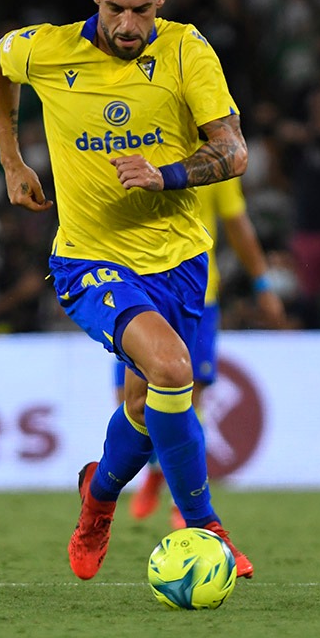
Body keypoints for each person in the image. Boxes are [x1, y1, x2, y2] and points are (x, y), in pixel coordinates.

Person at [0, 0, 254, 580]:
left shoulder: (188, 49)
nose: (129, 25)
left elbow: (234, 150)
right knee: (172, 367)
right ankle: (205, 526)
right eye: (116, 9)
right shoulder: (49, 49)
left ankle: (98, 496)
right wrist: (11, 159)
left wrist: (165, 174)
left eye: (142, 10)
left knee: (142, 406)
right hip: (89, 258)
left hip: (180, 259)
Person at [124, 175, 288, 528]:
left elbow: (236, 222)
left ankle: (183, 501)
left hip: (195, 294)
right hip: (136, 287)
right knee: (131, 400)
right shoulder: (139, 145)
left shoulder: (212, 160)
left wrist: (262, 282)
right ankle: (155, 472)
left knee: (187, 396)